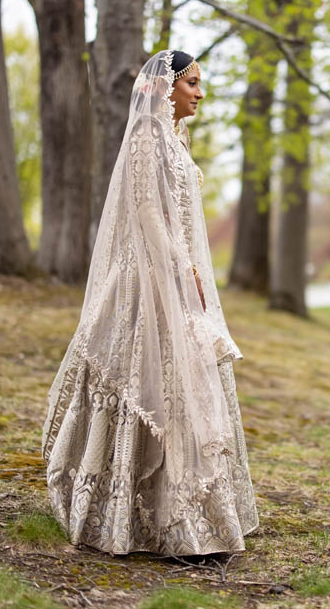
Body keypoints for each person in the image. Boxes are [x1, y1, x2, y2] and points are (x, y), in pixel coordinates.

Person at [41, 50, 258, 557]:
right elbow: (144, 211)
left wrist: (191, 273)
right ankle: (126, 514)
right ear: (167, 87)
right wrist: (178, 271)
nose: (200, 94)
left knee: (182, 383)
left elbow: (178, 216)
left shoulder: (175, 141)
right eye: (193, 84)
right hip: (144, 280)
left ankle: (184, 517)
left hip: (177, 275)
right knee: (146, 380)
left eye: (201, 84)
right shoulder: (145, 138)